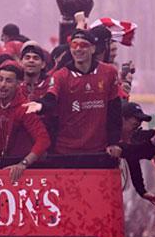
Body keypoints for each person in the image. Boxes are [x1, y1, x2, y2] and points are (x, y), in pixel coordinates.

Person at [29, 29, 123, 159]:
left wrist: (114, 142)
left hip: (98, 150)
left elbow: (114, 109)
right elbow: (51, 97)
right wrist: (41, 105)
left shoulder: (109, 72)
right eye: (74, 45)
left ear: (92, 49)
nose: (78, 49)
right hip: (65, 151)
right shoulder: (60, 76)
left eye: (83, 45)